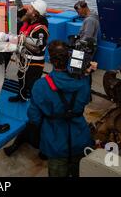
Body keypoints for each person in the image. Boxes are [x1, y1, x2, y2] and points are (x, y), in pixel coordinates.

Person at [27, 40, 95, 177]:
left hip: (54, 143)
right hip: (80, 139)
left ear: (50, 59)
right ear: (69, 57)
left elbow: (34, 117)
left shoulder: (41, 85)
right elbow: (86, 100)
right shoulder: (83, 82)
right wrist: (87, 73)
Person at [9, 0, 50, 102]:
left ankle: (37, 105)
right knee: (21, 77)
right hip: (24, 59)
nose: (28, 9)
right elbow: (20, 7)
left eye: (31, 8)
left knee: (32, 84)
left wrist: (22, 40)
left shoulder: (41, 29)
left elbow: (39, 46)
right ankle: (21, 96)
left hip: (34, 63)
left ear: (35, 13)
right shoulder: (29, 19)